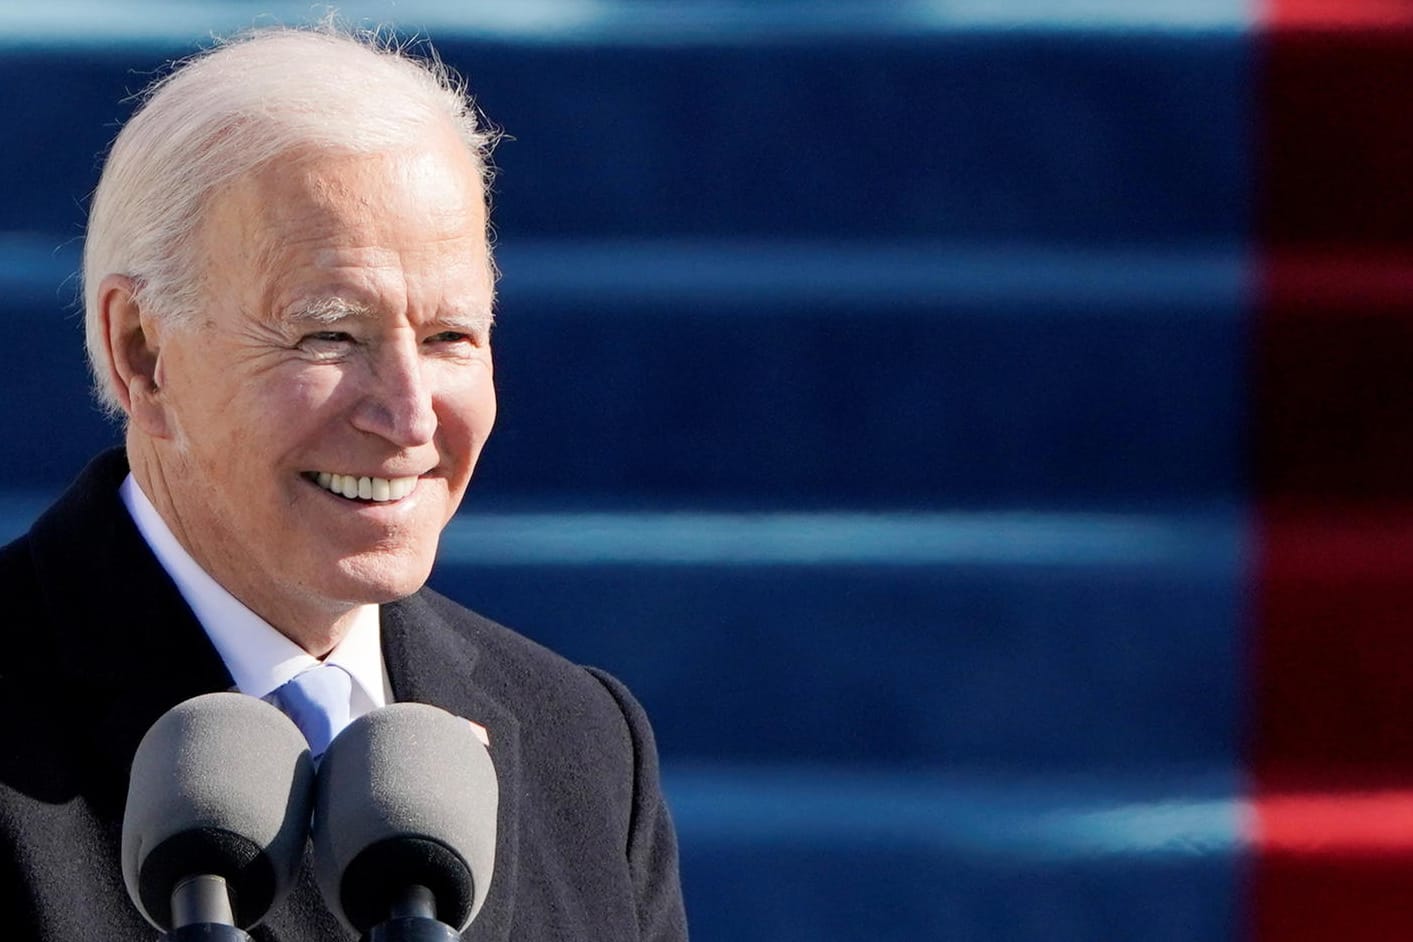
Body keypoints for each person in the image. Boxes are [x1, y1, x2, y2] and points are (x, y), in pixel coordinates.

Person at [0, 25, 689, 941]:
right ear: (143, 353)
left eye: (450, 337)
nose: (408, 417)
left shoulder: (583, 744)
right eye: (328, 335)